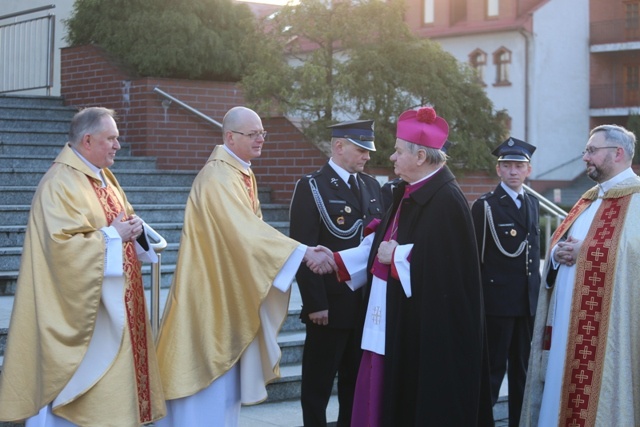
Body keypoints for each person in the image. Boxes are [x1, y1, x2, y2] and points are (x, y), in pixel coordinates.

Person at [154, 106, 336, 427]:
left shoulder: (240, 172)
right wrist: (301, 252)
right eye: (253, 134)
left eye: (262, 133)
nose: (260, 139)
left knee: (225, 400)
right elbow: (246, 233)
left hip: (228, 290)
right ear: (230, 137)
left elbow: (252, 234)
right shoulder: (217, 177)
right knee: (207, 388)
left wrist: (296, 252)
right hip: (210, 295)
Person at [0, 107, 165, 426]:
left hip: (115, 303)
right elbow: (60, 248)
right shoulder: (60, 182)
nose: (118, 145)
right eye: (111, 138)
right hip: (83, 310)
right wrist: (112, 236)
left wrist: (134, 230)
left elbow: (121, 221)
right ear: (87, 140)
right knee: (77, 396)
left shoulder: (104, 178)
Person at [332, 106, 494, 426]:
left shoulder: (447, 200)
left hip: (432, 334)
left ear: (420, 156)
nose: (391, 158)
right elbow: (386, 244)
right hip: (398, 320)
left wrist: (397, 257)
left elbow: (447, 273)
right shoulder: (406, 193)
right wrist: (338, 257)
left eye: (397, 151)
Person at [521, 124, 640, 426]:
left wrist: (584, 255)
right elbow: (561, 248)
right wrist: (558, 257)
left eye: (591, 151)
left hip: (609, 335)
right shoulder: (588, 200)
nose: (585, 157)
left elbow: (632, 260)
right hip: (565, 332)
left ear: (617, 153)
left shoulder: (637, 202)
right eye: (586, 151)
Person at [289, 119, 383, 427]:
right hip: (329, 304)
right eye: (361, 149)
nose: (367, 156)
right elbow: (302, 247)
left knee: (354, 383)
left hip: (364, 304)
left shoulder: (371, 186)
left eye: (368, 150)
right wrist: (315, 303)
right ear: (339, 146)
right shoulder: (312, 186)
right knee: (318, 384)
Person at [471, 138, 541, 427]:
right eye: (508, 166)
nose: (513, 171)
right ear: (498, 170)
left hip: (527, 302)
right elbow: (474, 259)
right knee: (493, 370)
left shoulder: (533, 203)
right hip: (497, 303)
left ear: (529, 170)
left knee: (523, 373)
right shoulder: (485, 206)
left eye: (519, 166)